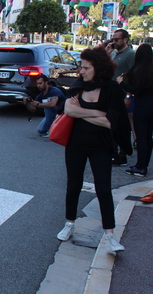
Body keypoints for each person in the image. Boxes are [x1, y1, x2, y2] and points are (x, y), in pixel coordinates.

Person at [56, 46, 132, 255]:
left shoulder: (112, 89)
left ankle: (109, 234)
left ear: (98, 68)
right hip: (76, 143)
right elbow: (67, 109)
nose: (81, 71)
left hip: (101, 145)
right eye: (81, 66)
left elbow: (113, 123)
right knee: (73, 185)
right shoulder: (78, 86)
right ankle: (69, 223)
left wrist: (81, 112)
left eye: (86, 67)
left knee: (104, 189)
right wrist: (98, 113)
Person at [117, 43, 153, 177]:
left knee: (141, 137)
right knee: (148, 137)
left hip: (142, 105)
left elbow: (135, 90)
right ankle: (144, 164)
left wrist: (122, 83)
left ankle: (141, 166)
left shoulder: (138, 70)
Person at [107, 28, 135, 166]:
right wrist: (107, 52)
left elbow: (132, 76)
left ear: (125, 40)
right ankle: (113, 153)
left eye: (117, 39)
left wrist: (128, 95)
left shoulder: (130, 54)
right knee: (111, 124)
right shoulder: (115, 54)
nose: (114, 42)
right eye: (113, 39)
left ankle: (122, 155)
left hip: (123, 94)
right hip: (112, 94)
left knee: (121, 126)